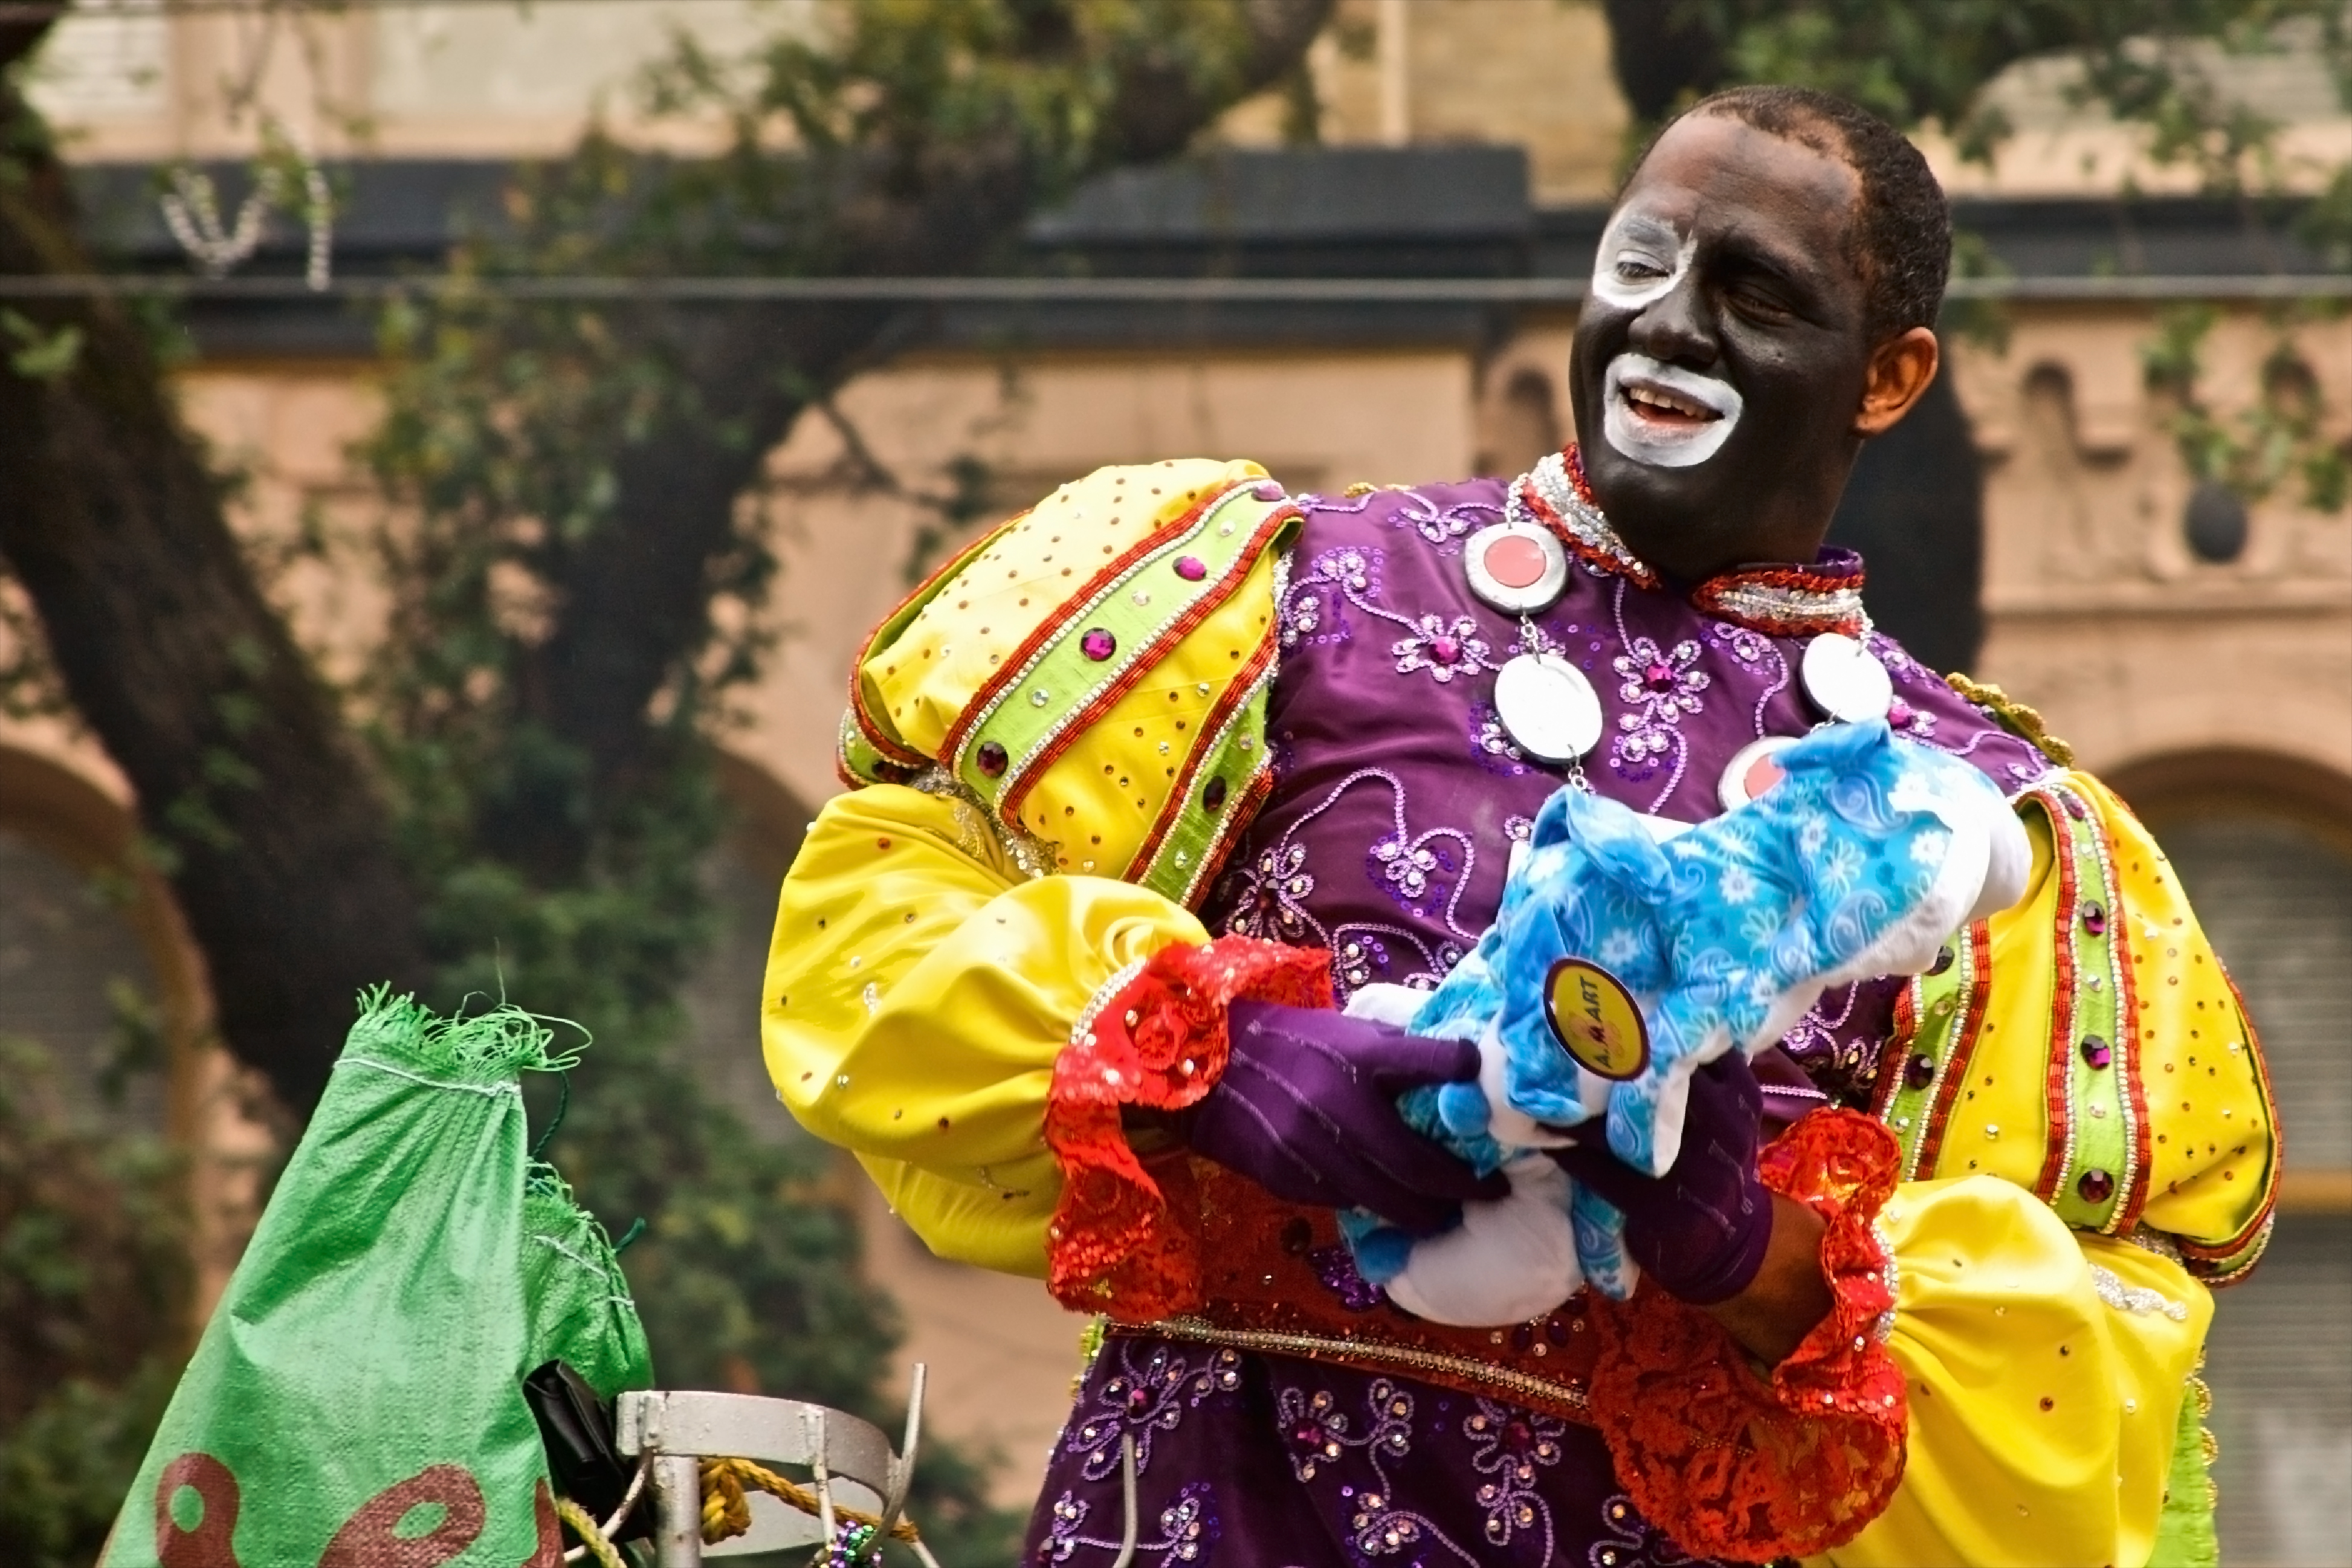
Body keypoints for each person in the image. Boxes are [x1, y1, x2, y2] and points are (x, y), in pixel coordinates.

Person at [763, 86, 2276, 1566]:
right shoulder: (1295, 597)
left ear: (1885, 378)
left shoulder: (1973, 826)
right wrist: (1205, 1057)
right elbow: (882, 911)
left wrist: (1748, 1250)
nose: (1671, 324)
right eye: (1640, 261)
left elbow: (2081, 1399)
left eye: (1751, 292)